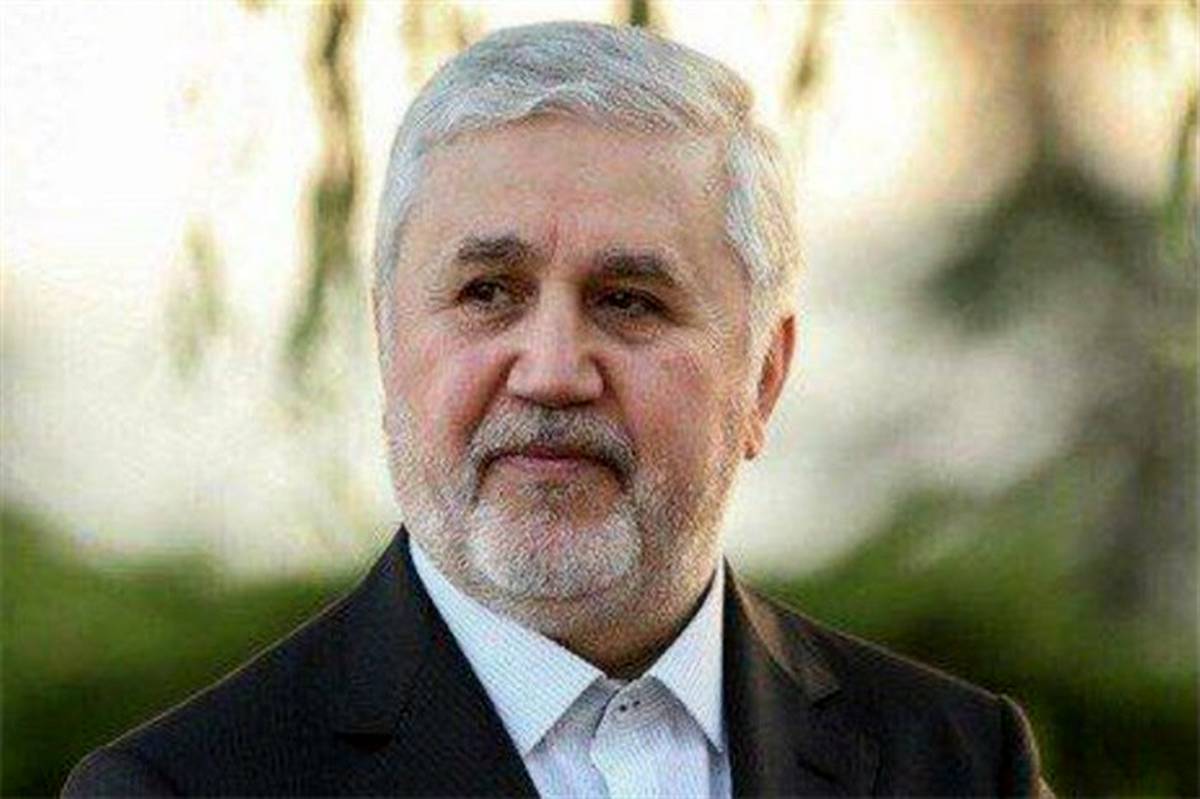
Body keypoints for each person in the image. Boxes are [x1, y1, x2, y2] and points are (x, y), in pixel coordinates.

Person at [64, 21, 1050, 797]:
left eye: (630, 301)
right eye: (488, 292)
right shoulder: (179, 787)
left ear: (763, 377)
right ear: (389, 344)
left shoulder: (962, 764)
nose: (551, 372)